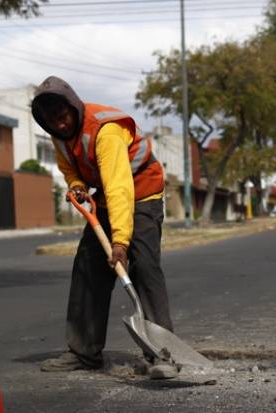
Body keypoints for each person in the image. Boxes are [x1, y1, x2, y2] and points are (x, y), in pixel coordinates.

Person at [31, 75, 178, 379]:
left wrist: (121, 243)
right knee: (88, 265)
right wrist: (77, 184)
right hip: (110, 195)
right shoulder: (59, 135)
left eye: (62, 117)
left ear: (73, 107)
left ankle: (163, 353)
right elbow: (69, 167)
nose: (59, 125)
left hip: (141, 192)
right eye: (51, 121)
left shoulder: (105, 132)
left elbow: (119, 189)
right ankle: (82, 351)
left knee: (144, 268)